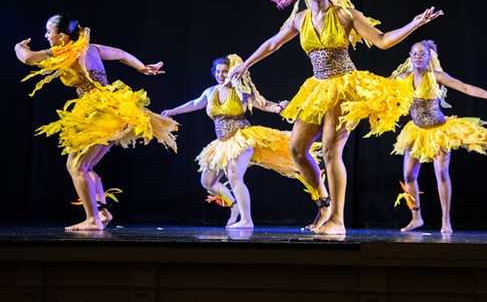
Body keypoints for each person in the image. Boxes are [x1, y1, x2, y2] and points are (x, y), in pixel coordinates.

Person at [229, 0, 443, 234]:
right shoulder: (300, 19)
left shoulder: (344, 15)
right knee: (296, 148)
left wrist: (413, 24)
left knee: (331, 151)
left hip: (343, 86)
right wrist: (245, 64)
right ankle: (324, 204)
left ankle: (338, 221)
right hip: (317, 87)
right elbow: (273, 43)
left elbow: (382, 39)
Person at [15, 13, 178, 231]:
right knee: (86, 166)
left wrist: (18, 46)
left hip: (98, 111)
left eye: (49, 32)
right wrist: (142, 67)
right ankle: (101, 212)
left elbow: (28, 58)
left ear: (62, 36)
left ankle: (93, 220)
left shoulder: (66, 51)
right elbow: (121, 54)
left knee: (76, 166)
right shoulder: (92, 48)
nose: (46, 36)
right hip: (115, 107)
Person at [347, 40, 487, 233]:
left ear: (429, 57)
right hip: (417, 131)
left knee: (441, 173)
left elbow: (465, 88)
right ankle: (416, 217)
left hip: (439, 130)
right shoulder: (403, 78)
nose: (418, 57)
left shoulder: (436, 76)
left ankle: (445, 221)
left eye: (422, 54)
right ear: (410, 57)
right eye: (414, 54)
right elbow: (379, 91)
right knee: (408, 175)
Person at [162, 54, 317, 229]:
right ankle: (235, 207)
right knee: (208, 181)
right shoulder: (210, 92)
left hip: (242, 139)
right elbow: (195, 103)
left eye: (225, 71)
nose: (221, 75)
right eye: (218, 71)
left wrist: (279, 107)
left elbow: (264, 104)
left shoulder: (241, 92)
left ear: (233, 72)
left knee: (234, 176)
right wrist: (173, 111)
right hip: (222, 143)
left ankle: (246, 220)